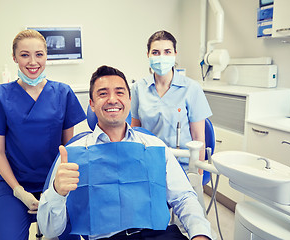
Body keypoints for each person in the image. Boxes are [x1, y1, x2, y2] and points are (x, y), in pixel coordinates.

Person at [37, 65, 212, 240]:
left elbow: (183, 197)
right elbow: (51, 231)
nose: (112, 99)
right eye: (103, 93)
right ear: (91, 104)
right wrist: (56, 192)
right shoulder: (73, 155)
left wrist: (200, 234)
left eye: (119, 92)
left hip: (159, 236)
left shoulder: (154, 146)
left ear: (129, 100)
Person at [0, 29, 86, 240]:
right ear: (14, 58)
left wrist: (56, 189)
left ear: (46, 57)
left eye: (39, 54)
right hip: (12, 185)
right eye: (25, 55)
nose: (33, 61)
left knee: (70, 235)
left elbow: (67, 149)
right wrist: (19, 191)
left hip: (54, 182)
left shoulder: (63, 93)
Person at [130, 30, 212, 212]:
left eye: (167, 52)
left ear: (175, 54)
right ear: (148, 55)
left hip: (182, 164)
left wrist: (196, 176)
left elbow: (199, 136)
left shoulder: (191, 89)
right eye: (156, 52)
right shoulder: (138, 88)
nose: (161, 57)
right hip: (149, 162)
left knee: (189, 216)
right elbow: (136, 130)